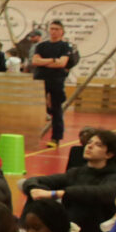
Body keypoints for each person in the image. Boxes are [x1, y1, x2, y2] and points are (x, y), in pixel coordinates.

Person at [23, 128, 116, 232]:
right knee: (36, 195)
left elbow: (101, 193)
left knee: (83, 202)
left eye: (98, 145)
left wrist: (59, 193)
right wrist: (33, 189)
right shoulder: (77, 172)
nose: (90, 146)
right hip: (69, 229)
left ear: (109, 154)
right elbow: (34, 180)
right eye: (89, 143)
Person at [31, 19, 78, 147]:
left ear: (62, 32)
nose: (53, 31)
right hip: (40, 80)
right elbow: (35, 61)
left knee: (57, 109)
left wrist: (44, 62)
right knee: (36, 109)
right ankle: (32, 136)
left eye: (56, 29)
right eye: (52, 29)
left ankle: (56, 138)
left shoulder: (65, 46)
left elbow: (62, 63)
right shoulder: (41, 46)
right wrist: (52, 60)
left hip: (56, 80)